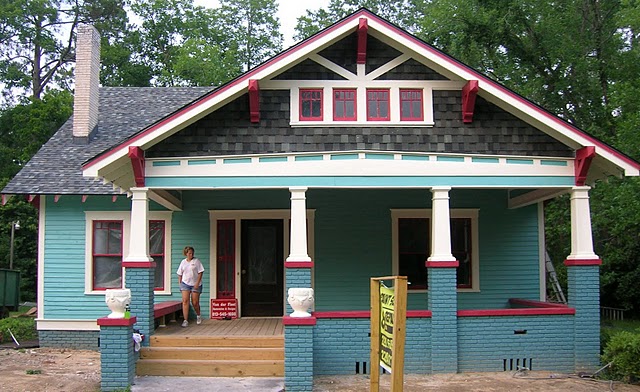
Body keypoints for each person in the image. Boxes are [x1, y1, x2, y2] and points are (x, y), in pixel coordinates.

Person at [176, 246, 204, 327]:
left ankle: (198, 315)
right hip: (185, 284)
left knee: (195, 302)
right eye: (189, 253)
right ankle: (185, 320)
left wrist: (197, 283)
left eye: (192, 253)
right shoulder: (183, 262)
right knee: (185, 301)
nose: (191, 255)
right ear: (186, 254)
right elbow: (180, 274)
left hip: (195, 284)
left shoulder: (196, 261)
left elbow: (200, 272)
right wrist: (180, 284)